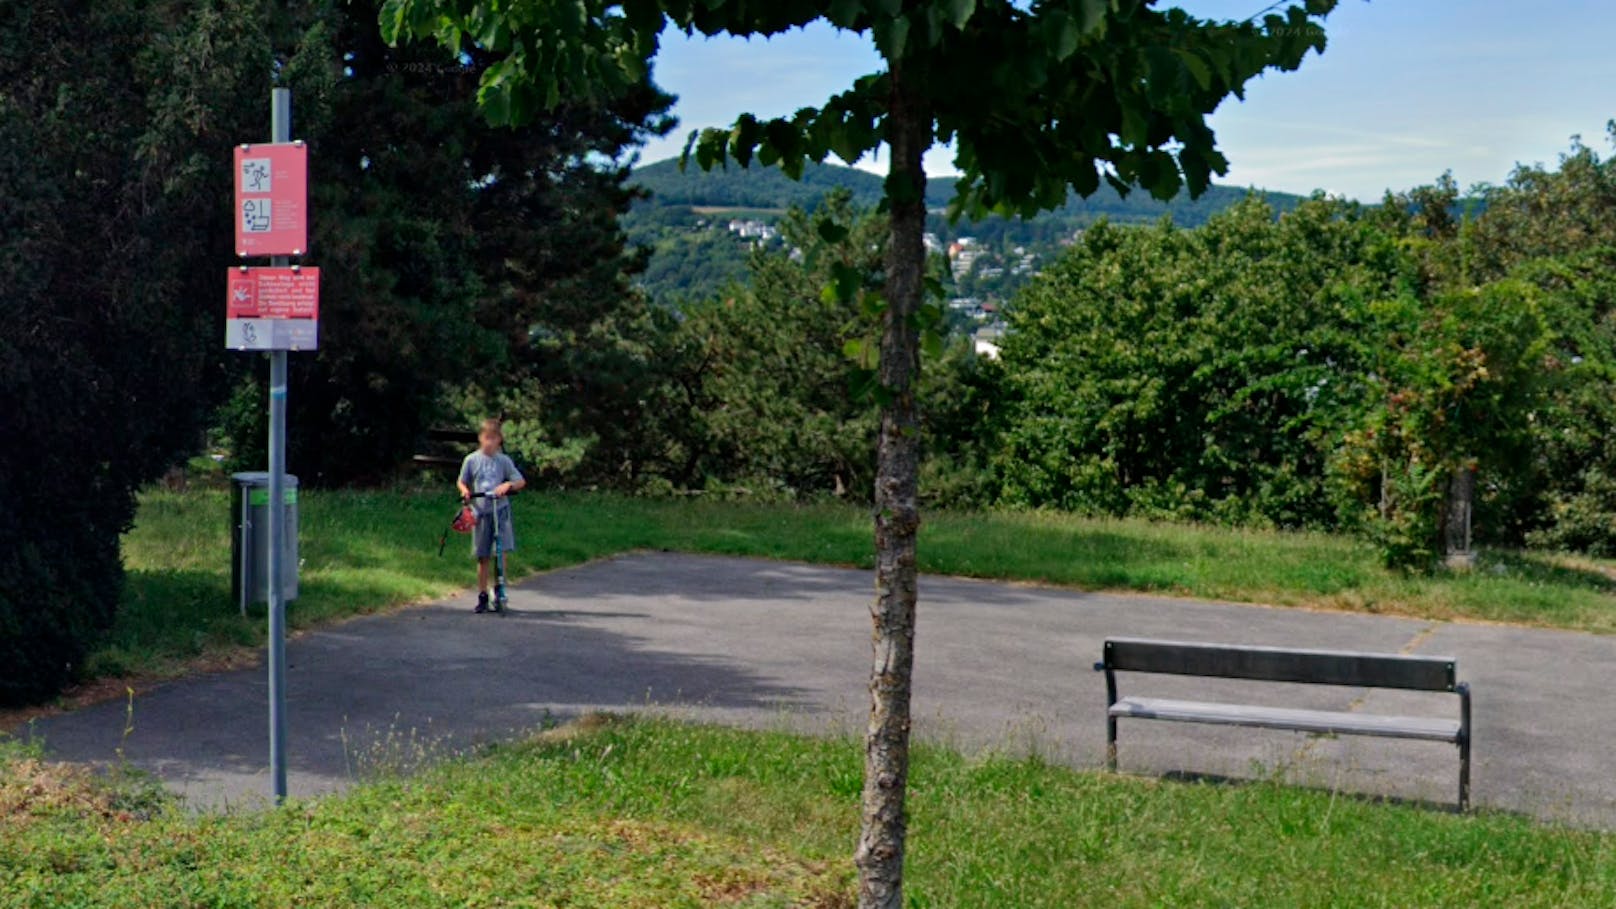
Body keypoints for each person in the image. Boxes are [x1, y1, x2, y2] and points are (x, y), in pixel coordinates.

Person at [456, 418, 526, 613]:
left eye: (493, 439)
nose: (489, 442)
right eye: (486, 438)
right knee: (482, 555)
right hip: (481, 511)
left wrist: (508, 485)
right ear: (480, 438)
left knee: (501, 551)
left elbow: (520, 481)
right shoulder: (471, 460)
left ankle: (500, 589)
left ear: (499, 440)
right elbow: (462, 482)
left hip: (500, 510)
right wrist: (465, 492)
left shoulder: (503, 460)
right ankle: (482, 594)